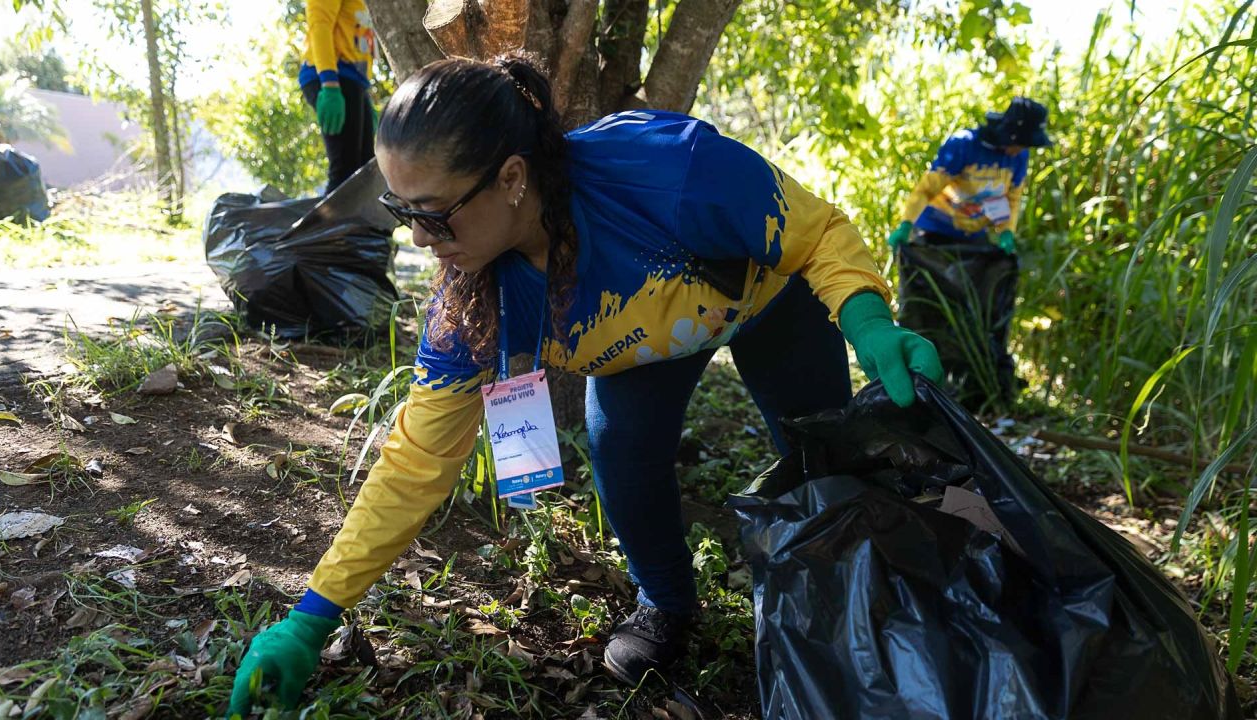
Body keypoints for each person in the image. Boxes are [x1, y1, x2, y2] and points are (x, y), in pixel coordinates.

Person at [227, 54, 942, 715]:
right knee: (622, 459)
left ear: (511, 178)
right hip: (644, 354)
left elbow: (813, 233)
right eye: (400, 211)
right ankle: (664, 602)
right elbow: (416, 462)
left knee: (824, 462)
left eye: (432, 213)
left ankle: (866, 595)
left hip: (767, 305)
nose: (417, 238)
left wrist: (870, 324)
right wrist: (311, 617)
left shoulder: (666, 171)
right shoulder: (474, 303)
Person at [887, 97, 1053, 253]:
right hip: (934, 230)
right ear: (1009, 135)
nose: (1021, 150)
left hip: (973, 236)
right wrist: (906, 224)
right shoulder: (964, 145)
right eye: (1021, 144)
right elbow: (926, 189)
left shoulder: (1019, 157)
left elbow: (1012, 199)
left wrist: (1006, 232)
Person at [299, 0, 377, 193]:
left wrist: (365, 97)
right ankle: (324, 223)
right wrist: (329, 84)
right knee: (345, 172)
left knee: (365, 168)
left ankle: (363, 224)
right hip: (332, 77)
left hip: (353, 80)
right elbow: (320, 25)